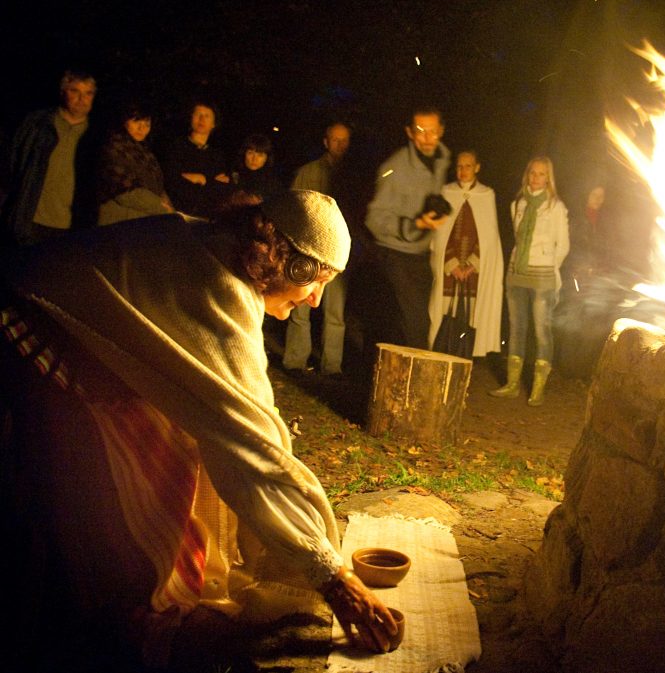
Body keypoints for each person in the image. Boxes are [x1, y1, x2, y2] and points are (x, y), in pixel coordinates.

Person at [0, 191, 397, 671]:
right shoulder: (217, 287)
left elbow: (249, 423)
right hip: (24, 340)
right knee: (106, 497)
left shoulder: (218, 245)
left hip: (68, 339)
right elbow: (253, 448)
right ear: (287, 265)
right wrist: (334, 578)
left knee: (178, 450)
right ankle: (117, 617)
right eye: (316, 281)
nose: (315, 298)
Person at [365, 107, 451, 349]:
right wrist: (416, 224)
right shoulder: (393, 168)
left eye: (432, 132)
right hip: (394, 257)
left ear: (441, 131)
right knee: (410, 328)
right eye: (420, 131)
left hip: (421, 256)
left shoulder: (442, 160)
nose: (427, 138)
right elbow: (373, 219)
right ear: (410, 133)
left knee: (417, 325)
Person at [490, 156, 569, 406]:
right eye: (533, 173)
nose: (536, 178)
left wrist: (549, 266)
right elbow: (516, 237)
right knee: (517, 327)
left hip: (543, 274)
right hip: (517, 272)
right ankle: (512, 384)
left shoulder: (556, 207)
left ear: (549, 178)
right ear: (527, 175)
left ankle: (538, 388)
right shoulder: (518, 204)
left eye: (542, 174)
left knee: (541, 329)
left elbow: (563, 245)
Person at [1, 69, 98, 246]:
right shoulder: (37, 125)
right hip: (32, 220)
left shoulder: (98, 135)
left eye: (88, 93)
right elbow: (11, 165)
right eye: (74, 91)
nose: (81, 99)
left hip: (73, 227)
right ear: (63, 92)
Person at [285, 121, 351, 374]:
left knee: (335, 313)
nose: (339, 145)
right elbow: (293, 206)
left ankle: (332, 366)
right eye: (335, 139)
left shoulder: (353, 177)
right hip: (309, 250)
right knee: (300, 306)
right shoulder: (309, 172)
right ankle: (295, 361)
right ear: (326, 142)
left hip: (339, 255)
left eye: (344, 140)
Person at [429, 149, 504, 357]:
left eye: (468, 166)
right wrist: (452, 264)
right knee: (443, 313)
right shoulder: (446, 192)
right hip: (449, 270)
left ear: (477, 168)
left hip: (474, 273)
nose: (463, 170)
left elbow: (489, 238)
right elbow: (440, 235)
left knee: (469, 316)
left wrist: (472, 264)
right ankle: (440, 356)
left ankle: (464, 358)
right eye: (460, 166)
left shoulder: (486, 195)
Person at [96, 98, 174, 226]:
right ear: (124, 120)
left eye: (147, 123)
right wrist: (165, 210)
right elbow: (125, 191)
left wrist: (169, 207)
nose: (142, 128)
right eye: (136, 121)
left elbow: (158, 186)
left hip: (143, 221)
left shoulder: (144, 151)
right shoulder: (113, 146)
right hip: (118, 224)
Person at [160, 100, 231, 218]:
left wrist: (203, 179)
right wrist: (209, 181)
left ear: (214, 123)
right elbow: (171, 179)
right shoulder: (175, 147)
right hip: (177, 213)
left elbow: (223, 187)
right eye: (198, 114)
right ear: (191, 118)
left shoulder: (217, 156)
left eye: (207, 116)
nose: (202, 119)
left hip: (207, 217)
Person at [229, 132, 283, 206]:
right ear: (244, 154)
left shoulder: (272, 183)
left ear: (266, 158)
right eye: (250, 153)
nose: (254, 159)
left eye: (260, 155)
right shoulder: (232, 176)